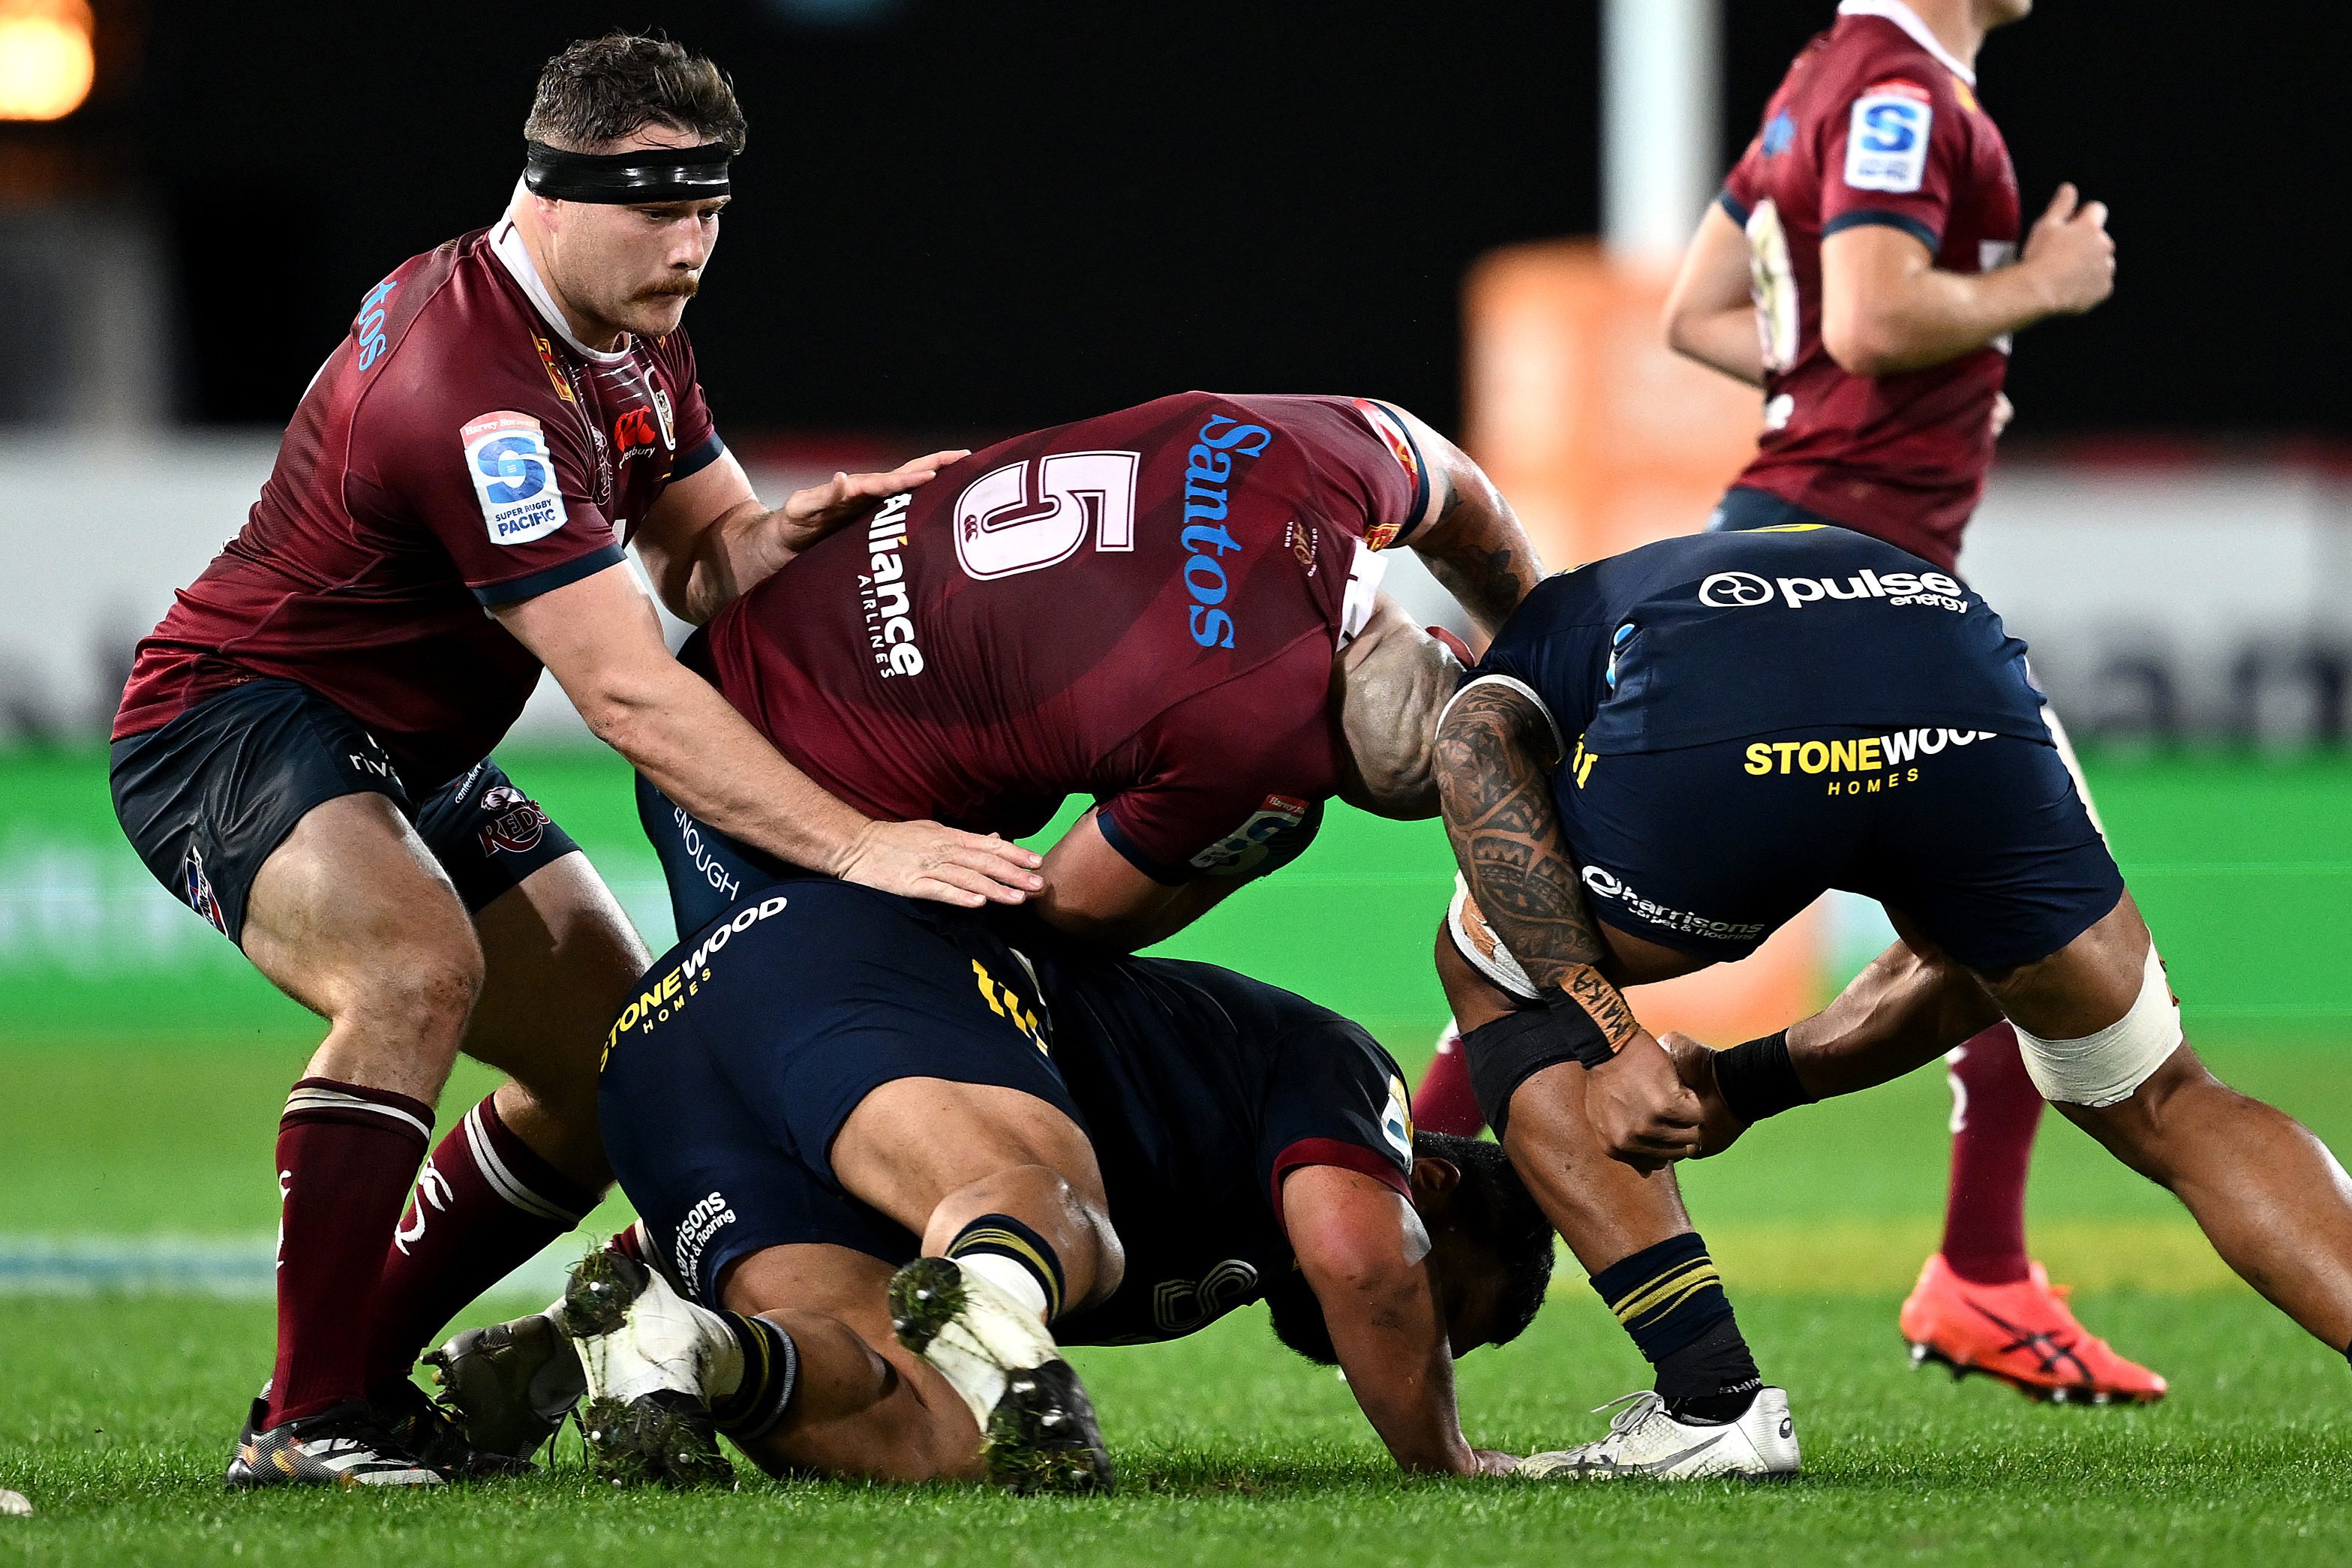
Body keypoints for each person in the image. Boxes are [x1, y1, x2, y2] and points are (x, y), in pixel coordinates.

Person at [125, 35, 1047, 1489]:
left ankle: (347, 1383)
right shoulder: (474, 388)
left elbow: (699, 556)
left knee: (618, 1063)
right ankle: (307, 1424)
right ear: (549, 191)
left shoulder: (625, 325)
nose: (690, 246)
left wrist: (789, 537)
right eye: (656, 208)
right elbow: (624, 691)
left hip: (403, 751)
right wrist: (859, 842)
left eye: (710, 211)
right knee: (412, 972)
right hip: (234, 718)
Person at [1413, 0, 2149, 1404]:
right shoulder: (1899, 91)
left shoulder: (1818, 81)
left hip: (1775, 561)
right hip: (1855, 591)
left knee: (1538, 938)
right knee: (2047, 928)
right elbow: (1872, 314)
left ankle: (1411, 1213)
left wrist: (1828, 379)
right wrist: (2039, 288)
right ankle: (1978, 1274)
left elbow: (1706, 314)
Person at [1428, 525, 2352, 1467]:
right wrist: (1744, 1086)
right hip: (1953, 670)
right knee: (2160, 1092)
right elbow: (1966, 964)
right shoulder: (1633, 589)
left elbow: (1467, 747)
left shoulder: (1525, 647)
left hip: (1735, 724)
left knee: (1488, 959)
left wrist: (1614, 1038)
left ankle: (1712, 1409)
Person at [426, 878, 1557, 1490]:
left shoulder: (1229, 1255)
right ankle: (1002, 1306)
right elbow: (1361, 1257)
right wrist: (1440, 1455)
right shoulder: (1348, 1074)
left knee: (933, 1433)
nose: (1422, 1341)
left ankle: (677, 1347)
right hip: (848, 953)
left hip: (664, 1068)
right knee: (1061, 1218)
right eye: (1448, 1310)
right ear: (1436, 1187)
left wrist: (648, 1264)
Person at [639, 391, 1540, 949]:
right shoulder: (1261, 757)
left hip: (748, 645)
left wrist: (1531, 643)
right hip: (779, 805)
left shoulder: (1317, 466)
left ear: (1445, 637)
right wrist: (1245, 843)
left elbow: (1458, 489)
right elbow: (1066, 917)